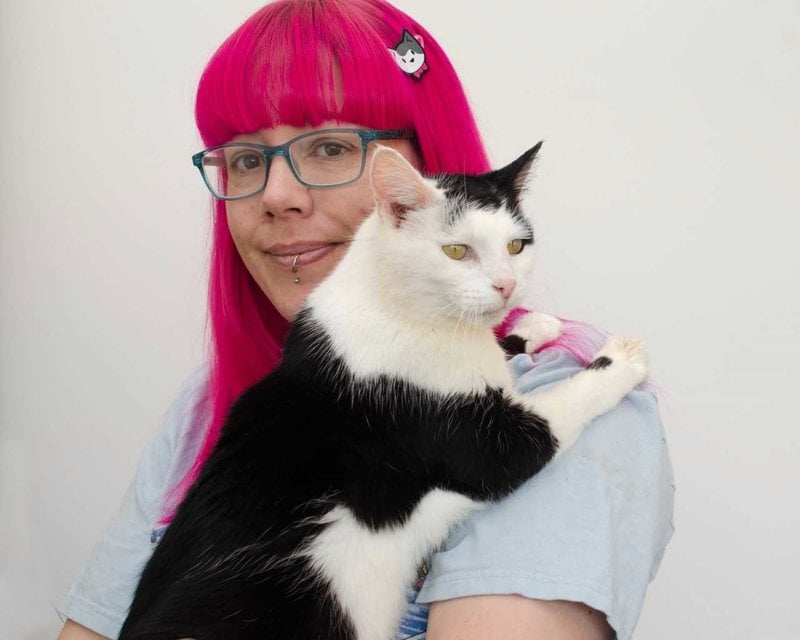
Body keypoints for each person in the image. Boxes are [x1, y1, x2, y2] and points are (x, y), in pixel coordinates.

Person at [56, 1, 674, 638]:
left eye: (328, 147)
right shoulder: (203, 411)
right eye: (244, 159)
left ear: (420, 177)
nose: (276, 197)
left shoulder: (560, 389)